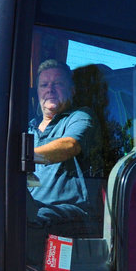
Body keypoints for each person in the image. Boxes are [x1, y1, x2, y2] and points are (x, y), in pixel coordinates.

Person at [27, 59, 100, 238]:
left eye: (57, 83)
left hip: (71, 214)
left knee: (30, 222)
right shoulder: (28, 129)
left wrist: (24, 155)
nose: (50, 89)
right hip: (33, 209)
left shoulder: (79, 117)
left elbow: (70, 145)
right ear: (37, 93)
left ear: (72, 90)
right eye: (44, 85)